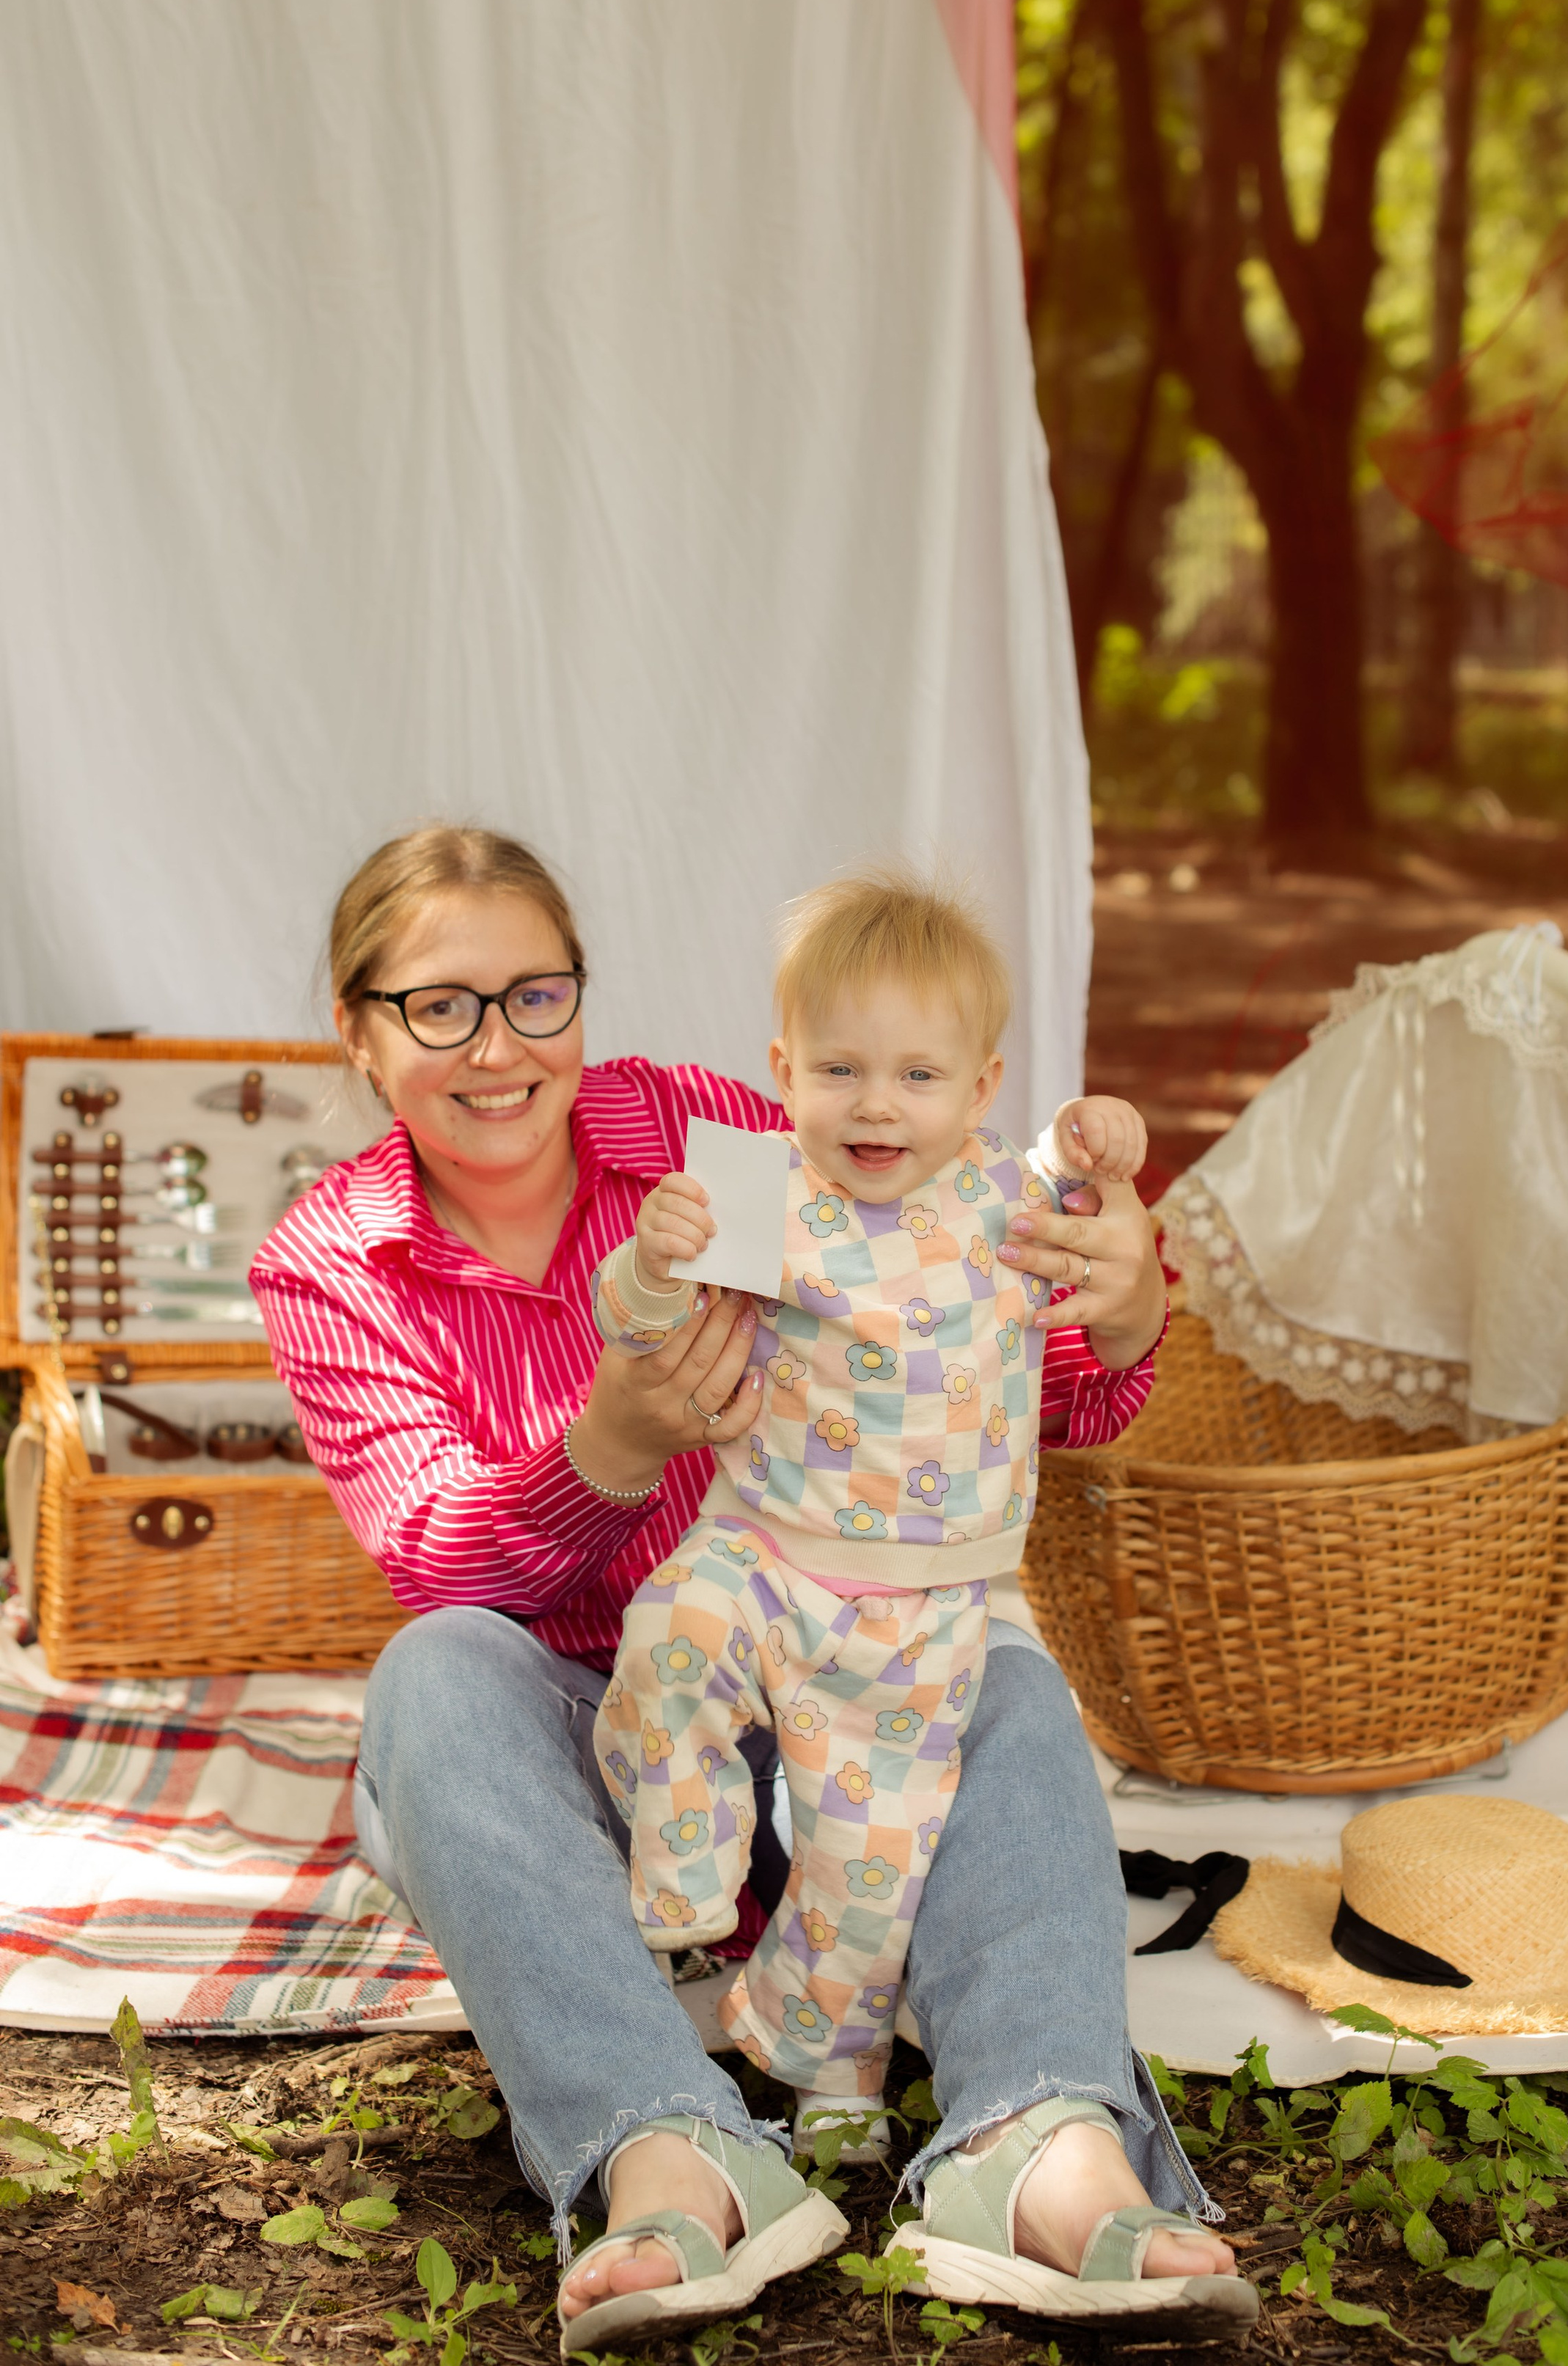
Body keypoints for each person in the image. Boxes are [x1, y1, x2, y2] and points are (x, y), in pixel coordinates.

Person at [250, 824, 1253, 2350]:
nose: (498, 1048)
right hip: (569, 1774)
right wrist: (611, 1445)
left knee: (1004, 1680)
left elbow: (957, 1386)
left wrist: (1113, 1319)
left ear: (580, 994)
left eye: (535, 995)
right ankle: (668, 2151)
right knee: (434, 1672)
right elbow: (439, 1560)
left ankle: (1039, 2143)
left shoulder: (703, 1132)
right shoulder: (329, 1257)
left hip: (821, 1715)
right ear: (358, 1029)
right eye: (439, 1006)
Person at [591, 871, 1149, 2144]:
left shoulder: (1008, 1202)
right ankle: (683, 1874)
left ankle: (833, 2072)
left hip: (921, 1607)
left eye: (918, 1076)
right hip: (765, 1547)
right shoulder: (765, 1194)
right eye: (839, 1071)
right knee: (670, 1631)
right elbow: (637, 1327)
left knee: (868, 1864)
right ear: (783, 1070)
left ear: (981, 1089)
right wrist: (654, 1259)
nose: (876, 1105)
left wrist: (1097, 1137)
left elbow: (1093, 1204)